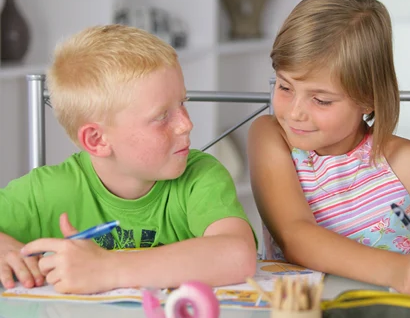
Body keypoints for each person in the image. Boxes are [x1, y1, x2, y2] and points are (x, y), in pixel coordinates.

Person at [248, 0, 410, 296]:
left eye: (321, 100)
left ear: (368, 99)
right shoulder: (270, 136)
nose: (294, 112)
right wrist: (396, 269)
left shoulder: (409, 163)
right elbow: (296, 237)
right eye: (285, 86)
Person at [0, 25, 257, 294]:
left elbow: (238, 255)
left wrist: (107, 268)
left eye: (183, 102)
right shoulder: (48, 191)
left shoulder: (201, 177)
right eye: (161, 116)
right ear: (97, 140)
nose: (186, 124)